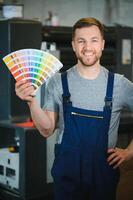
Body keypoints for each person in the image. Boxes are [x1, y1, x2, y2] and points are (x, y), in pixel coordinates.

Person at [15, 17, 133, 200]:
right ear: (73, 45)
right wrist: (31, 102)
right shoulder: (57, 82)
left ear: (102, 44)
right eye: (81, 41)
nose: (87, 47)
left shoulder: (120, 85)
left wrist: (129, 152)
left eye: (94, 40)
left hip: (103, 177)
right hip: (67, 177)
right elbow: (46, 129)